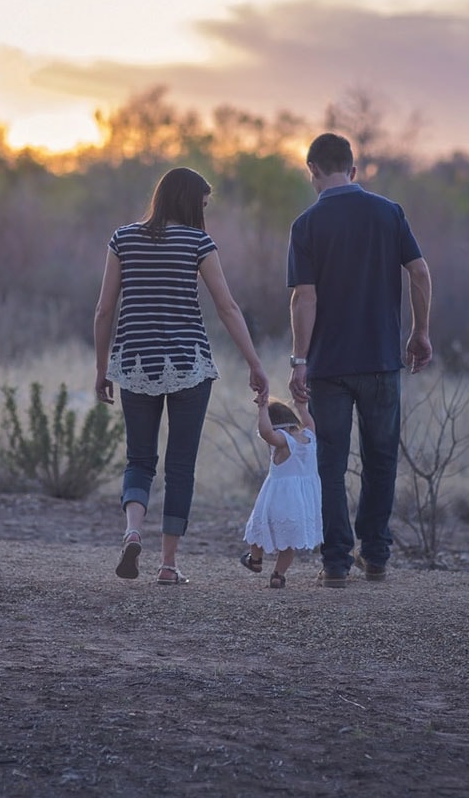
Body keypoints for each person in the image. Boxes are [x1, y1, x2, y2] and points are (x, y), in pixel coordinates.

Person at [94, 167, 268, 585]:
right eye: (203, 204)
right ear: (190, 202)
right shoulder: (198, 243)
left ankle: (133, 530)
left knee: (139, 459)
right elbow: (227, 308)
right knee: (180, 467)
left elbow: (103, 310)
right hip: (189, 364)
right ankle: (168, 565)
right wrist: (255, 363)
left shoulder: (123, 239)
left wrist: (102, 369)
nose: (204, 212)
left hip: (135, 363)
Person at [287, 132, 433, 588]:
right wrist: (420, 331)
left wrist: (299, 359)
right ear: (353, 169)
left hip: (329, 366)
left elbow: (304, 299)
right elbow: (420, 272)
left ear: (312, 171)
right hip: (382, 360)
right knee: (381, 458)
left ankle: (335, 563)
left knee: (330, 463)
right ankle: (376, 555)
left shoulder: (306, 224)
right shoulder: (389, 213)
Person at [240, 397, 323, 588]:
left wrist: (262, 409)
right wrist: (301, 406)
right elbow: (309, 422)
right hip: (302, 503)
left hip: (278, 498)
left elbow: (266, 432)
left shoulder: (283, 441)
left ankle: (256, 559)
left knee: (258, 528)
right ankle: (278, 575)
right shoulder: (309, 436)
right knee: (289, 543)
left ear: (277, 426)